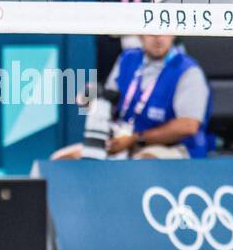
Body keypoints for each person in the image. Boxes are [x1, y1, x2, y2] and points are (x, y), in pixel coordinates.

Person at [52, 34, 212, 160]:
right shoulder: (127, 58)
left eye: (163, 31)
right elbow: (110, 97)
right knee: (62, 160)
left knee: (141, 165)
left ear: (174, 34)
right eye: (151, 32)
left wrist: (136, 139)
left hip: (172, 148)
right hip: (122, 142)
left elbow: (188, 126)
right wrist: (91, 96)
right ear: (140, 34)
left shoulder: (188, 71)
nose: (158, 38)